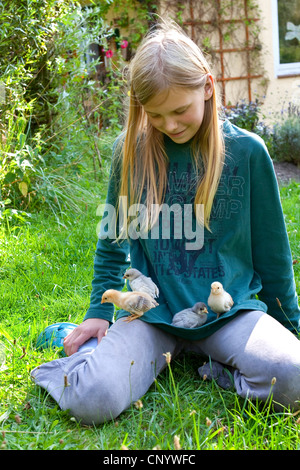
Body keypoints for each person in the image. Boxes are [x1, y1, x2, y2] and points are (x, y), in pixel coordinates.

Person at [31, 20, 300, 425]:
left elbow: (273, 255)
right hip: (152, 317)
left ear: (207, 87)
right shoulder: (133, 152)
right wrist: (98, 314)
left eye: (179, 111)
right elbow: (113, 241)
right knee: (93, 400)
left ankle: (221, 370)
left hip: (228, 316)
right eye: (154, 115)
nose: (169, 125)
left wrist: (289, 331)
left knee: (294, 379)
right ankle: (88, 351)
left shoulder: (248, 153)